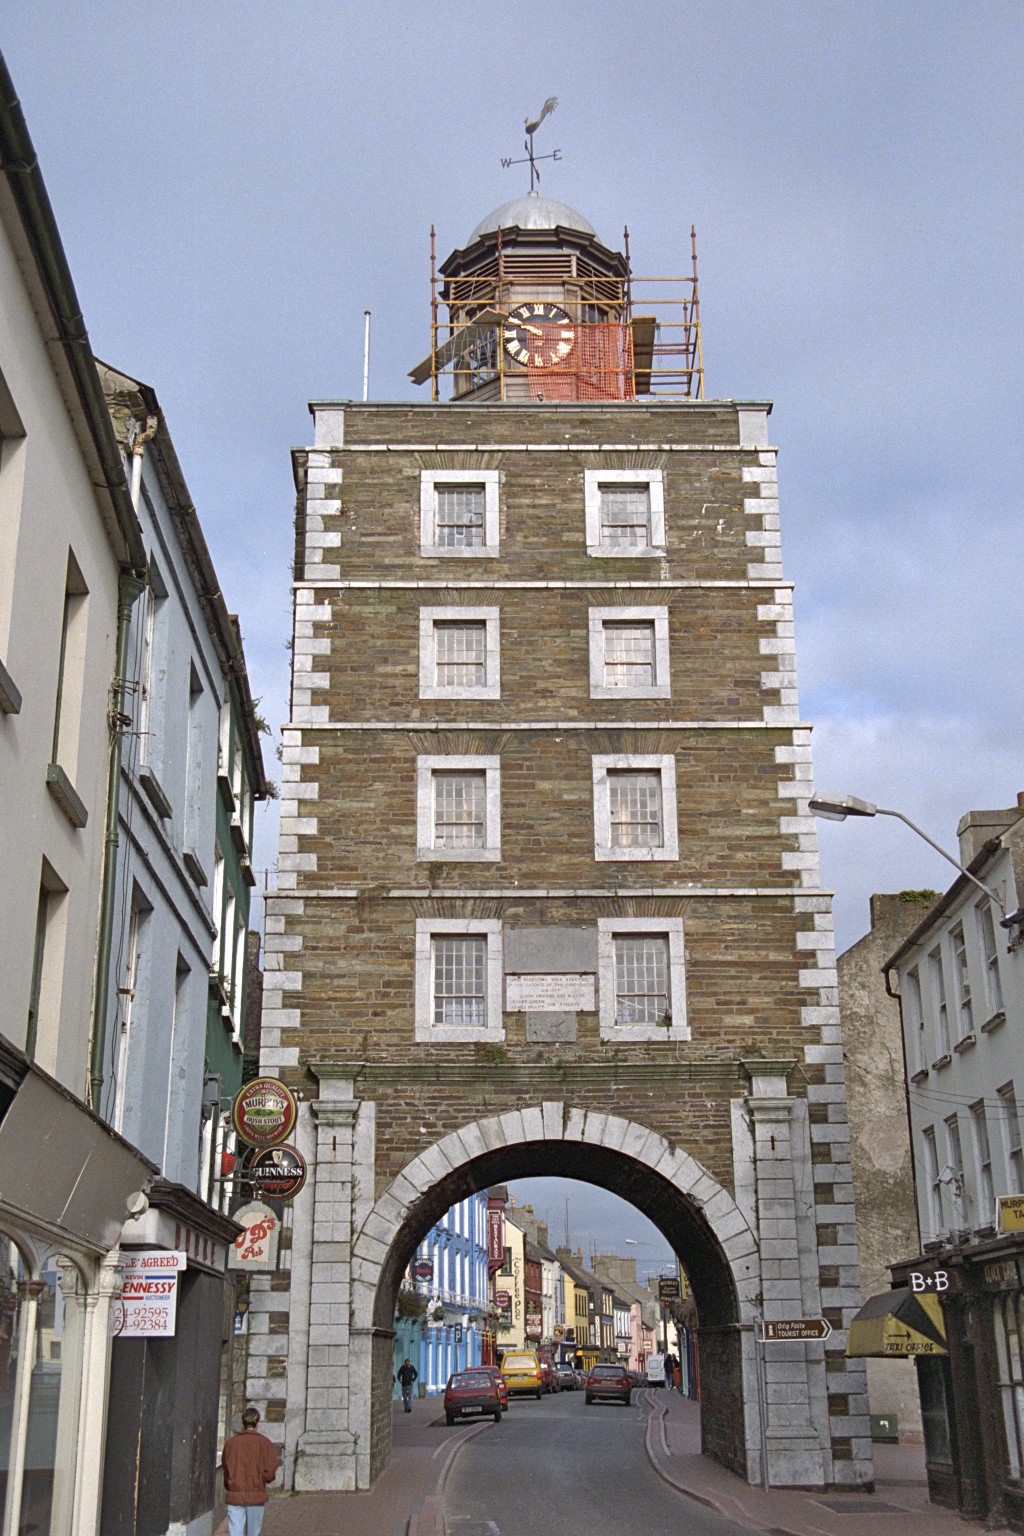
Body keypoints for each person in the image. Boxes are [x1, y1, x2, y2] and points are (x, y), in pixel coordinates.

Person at [222, 1405, 279, 1536]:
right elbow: (270, 1472)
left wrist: (230, 1483)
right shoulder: (265, 1443)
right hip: (256, 1494)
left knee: (235, 1532)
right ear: (257, 1423)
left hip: (235, 1493)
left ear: (243, 1423)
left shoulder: (231, 1443)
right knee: (253, 1533)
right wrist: (262, 1478)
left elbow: (226, 1466)